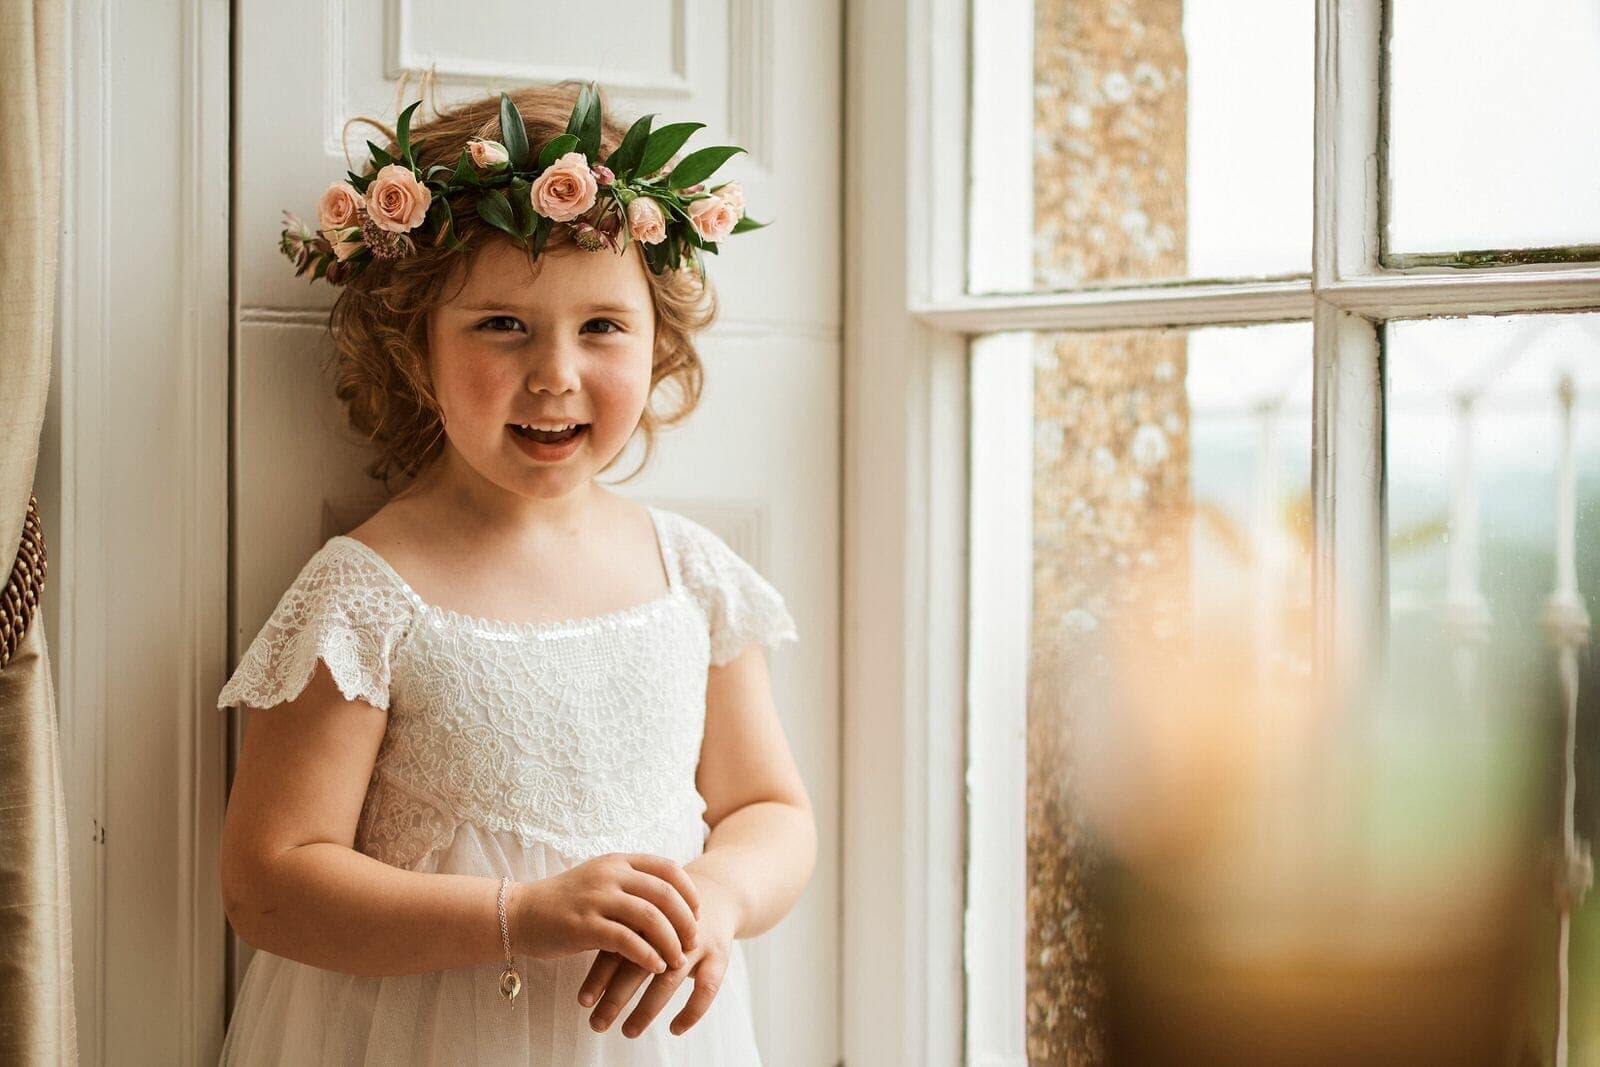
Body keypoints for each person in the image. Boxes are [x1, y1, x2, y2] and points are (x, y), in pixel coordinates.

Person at [215, 80, 815, 1064]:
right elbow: (270, 880)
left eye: (602, 327)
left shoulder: (693, 577)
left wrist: (718, 893)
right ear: (417, 351)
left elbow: (769, 808)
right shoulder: (367, 594)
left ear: (661, 341)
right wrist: (521, 912)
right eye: (502, 324)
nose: (556, 374)